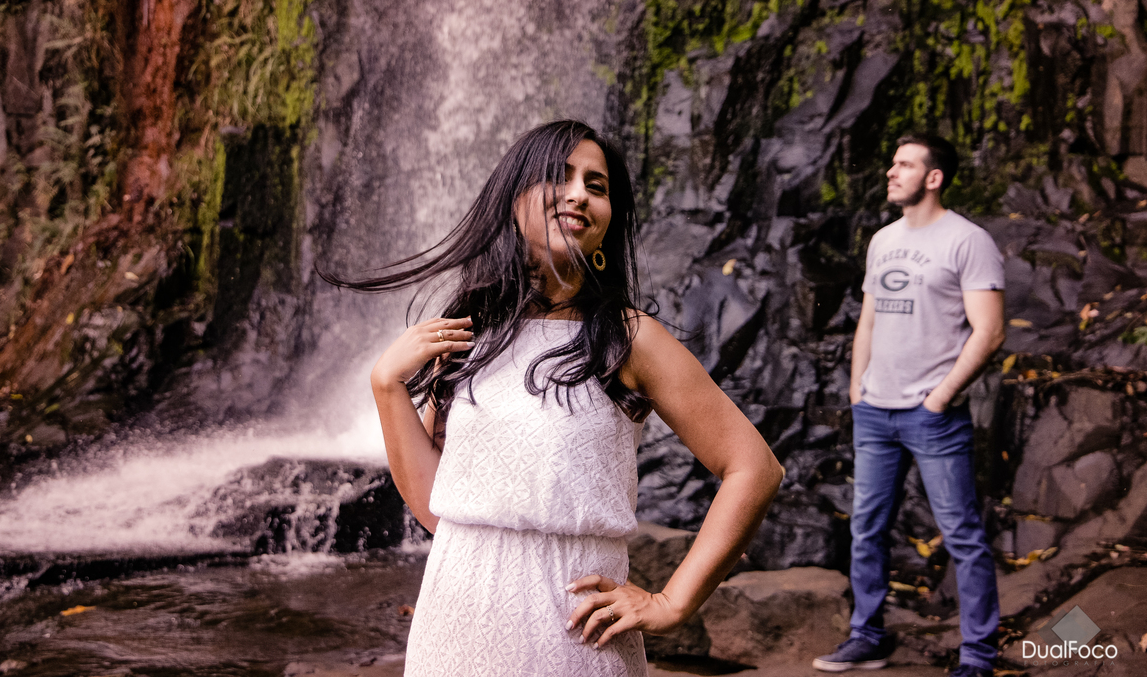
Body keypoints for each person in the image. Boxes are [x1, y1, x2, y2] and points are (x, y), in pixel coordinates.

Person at [325, 120, 783, 676]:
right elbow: (436, 508)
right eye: (560, 177)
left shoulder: (629, 338)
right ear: (512, 198)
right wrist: (387, 386)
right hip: (454, 624)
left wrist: (671, 603)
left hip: (570, 636)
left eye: (597, 185)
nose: (579, 194)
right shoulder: (468, 334)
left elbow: (754, 467)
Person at [813, 135, 1006, 677]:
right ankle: (867, 636)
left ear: (934, 177)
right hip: (875, 410)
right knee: (866, 529)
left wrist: (940, 396)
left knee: (962, 534)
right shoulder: (883, 240)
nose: (891, 171)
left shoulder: (968, 241)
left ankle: (978, 656)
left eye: (905, 164)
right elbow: (869, 320)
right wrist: (858, 390)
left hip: (933, 416)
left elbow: (990, 331)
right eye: (892, 162)